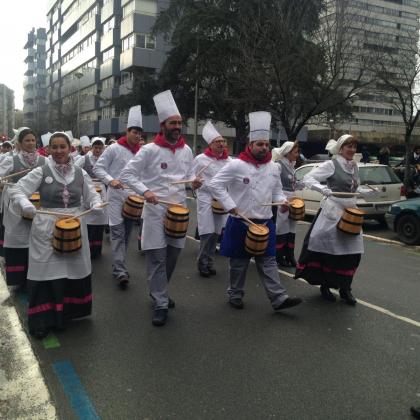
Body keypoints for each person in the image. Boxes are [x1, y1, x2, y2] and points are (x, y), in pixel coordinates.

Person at [9, 132, 102, 338]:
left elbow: (91, 195)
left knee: (72, 269)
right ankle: (42, 320)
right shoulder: (41, 171)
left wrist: (95, 203)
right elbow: (17, 190)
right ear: (49, 149)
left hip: (74, 224)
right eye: (55, 147)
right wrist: (24, 203)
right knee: (46, 271)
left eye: (63, 146)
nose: (59, 151)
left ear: (70, 148)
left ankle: (67, 314)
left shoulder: (80, 172)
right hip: (46, 228)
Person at [120, 90, 202, 326]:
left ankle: (159, 290)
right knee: (157, 257)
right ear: (162, 125)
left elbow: (189, 177)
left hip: (178, 212)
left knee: (172, 256)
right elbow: (127, 174)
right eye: (172, 123)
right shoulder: (149, 150)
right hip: (155, 212)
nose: (177, 127)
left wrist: (194, 183)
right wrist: (145, 191)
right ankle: (161, 301)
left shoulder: (187, 151)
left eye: (179, 123)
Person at [208, 111, 302, 312]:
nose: (264, 148)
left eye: (266, 144)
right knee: (239, 263)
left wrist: (282, 202)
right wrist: (229, 204)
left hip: (265, 222)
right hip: (240, 221)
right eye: (260, 144)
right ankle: (235, 294)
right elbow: (215, 184)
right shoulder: (236, 165)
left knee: (268, 262)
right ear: (250, 145)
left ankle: (279, 298)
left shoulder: (274, 168)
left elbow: (277, 192)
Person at [294, 134, 377, 305]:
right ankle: (326, 285)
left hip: (351, 213)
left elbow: (353, 188)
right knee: (329, 251)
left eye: (354, 147)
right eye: (349, 147)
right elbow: (308, 178)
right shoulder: (331, 164)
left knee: (352, 252)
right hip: (333, 211)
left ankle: (345, 289)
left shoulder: (354, 166)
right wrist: (322, 188)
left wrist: (365, 192)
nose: (352, 150)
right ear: (340, 149)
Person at [94, 106, 143, 289]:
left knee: (127, 234)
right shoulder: (114, 149)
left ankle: (118, 264)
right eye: (134, 132)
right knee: (117, 232)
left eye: (139, 133)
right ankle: (120, 270)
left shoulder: (142, 152)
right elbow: (98, 168)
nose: (137, 135)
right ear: (127, 131)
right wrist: (111, 180)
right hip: (115, 196)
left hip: (133, 199)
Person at [0, 128, 47, 289]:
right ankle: (19, 278)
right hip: (16, 208)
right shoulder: (11, 160)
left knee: (37, 241)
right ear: (19, 143)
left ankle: (36, 276)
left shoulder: (44, 161)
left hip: (38, 205)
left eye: (33, 140)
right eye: (27, 140)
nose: (31, 143)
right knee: (19, 241)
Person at [192, 121, 231, 277]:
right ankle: (202, 263)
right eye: (217, 142)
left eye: (223, 141)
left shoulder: (229, 161)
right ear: (210, 144)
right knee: (206, 232)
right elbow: (191, 177)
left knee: (216, 232)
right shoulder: (200, 159)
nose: (221, 144)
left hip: (220, 199)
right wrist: (195, 182)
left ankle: (209, 262)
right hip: (205, 198)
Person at [272, 141, 304, 267]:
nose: (297, 155)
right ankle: (278, 256)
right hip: (282, 199)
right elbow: (274, 185)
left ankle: (290, 255)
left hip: (292, 199)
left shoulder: (292, 166)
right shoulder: (278, 165)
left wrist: (303, 183)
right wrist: (281, 200)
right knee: (281, 228)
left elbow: (293, 184)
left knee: (292, 228)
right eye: (295, 152)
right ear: (287, 153)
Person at [76, 137, 107, 258]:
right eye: (96, 147)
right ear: (92, 147)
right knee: (87, 219)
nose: (98, 150)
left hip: (101, 191)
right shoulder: (84, 159)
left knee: (100, 221)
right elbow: (75, 170)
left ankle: (96, 250)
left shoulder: (105, 160)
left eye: (100, 148)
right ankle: (87, 249)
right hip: (87, 190)